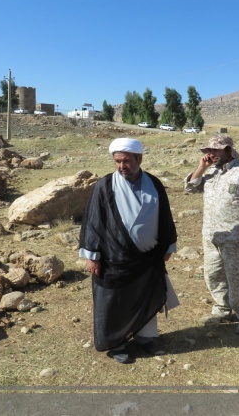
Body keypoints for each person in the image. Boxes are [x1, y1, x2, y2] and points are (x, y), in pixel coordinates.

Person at [79, 138, 179, 364]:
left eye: (126, 161)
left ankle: (145, 338)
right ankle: (117, 343)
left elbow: (165, 217)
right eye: (117, 161)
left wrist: (167, 246)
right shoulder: (104, 186)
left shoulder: (154, 183)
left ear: (139, 158)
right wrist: (92, 257)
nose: (122, 166)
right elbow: (94, 222)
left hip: (148, 258)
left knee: (145, 295)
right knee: (115, 301)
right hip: (115, 258)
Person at [185, 135, 239, 334]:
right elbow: (190, 188)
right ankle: (222, 307)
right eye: (207, 151)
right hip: (211, 235)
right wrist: (201, 168)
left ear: (228, 150)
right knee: (213, 274)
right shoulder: (210, 172)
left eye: (215, 150)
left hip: (235, 236)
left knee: (236, 277)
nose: (210, 154)